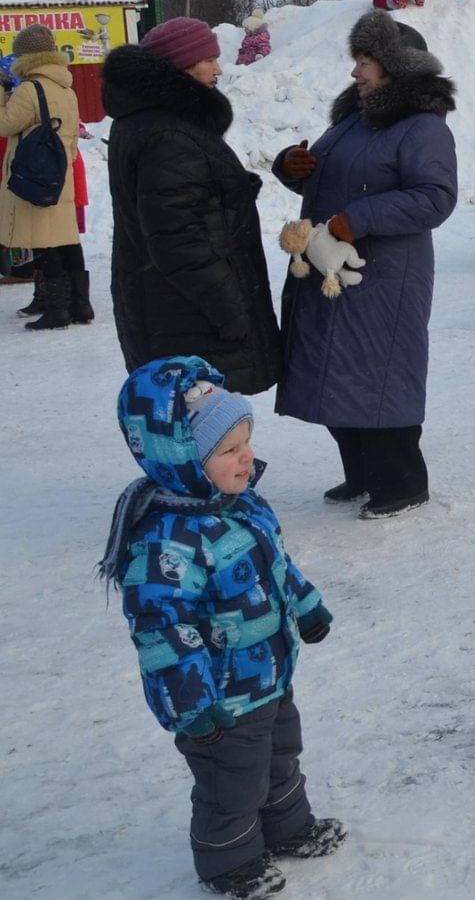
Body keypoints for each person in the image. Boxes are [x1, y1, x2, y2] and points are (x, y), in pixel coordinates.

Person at [101, 356, 346, 899]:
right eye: (229, 450)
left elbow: (277, 565)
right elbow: (163, 630)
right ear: (182, 457)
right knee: (230, 779)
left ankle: (286, 826)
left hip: (270, 674)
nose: (247, 457)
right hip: (219, 697)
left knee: (282, 752)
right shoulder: (165, 543)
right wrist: (192, 704)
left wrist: (305, 605)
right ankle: (227, 860)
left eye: (247, 442)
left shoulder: (242, 507)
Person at [274, 11, 457, 521]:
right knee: (339, 372)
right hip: (335, 269)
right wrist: (291, 166)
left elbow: (435, 198)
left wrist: (358, 218)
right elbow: (334, 178)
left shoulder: (423, 127)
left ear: (399, 69)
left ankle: (401, 483)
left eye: (367, 62)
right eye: (356, 61)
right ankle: (362, 473)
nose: (355, 73)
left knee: (379, 375)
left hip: (386, 274)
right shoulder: (353, 119)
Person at [103, 18, 285, 394]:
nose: (218, 69)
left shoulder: (148, 120)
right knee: (204, 435)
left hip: (170, 311)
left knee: (196, 433)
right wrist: (230, 310)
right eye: (209, 60)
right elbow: (176, 238)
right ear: (181, 66)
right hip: (189, 318)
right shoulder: (168, 134)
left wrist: (230, 191)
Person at [1, 23, 89, 330]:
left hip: (35, 176)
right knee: (66, 240)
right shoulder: (66, 87)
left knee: (45, 242)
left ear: (25, 56)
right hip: (60, 172)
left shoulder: (29, 88)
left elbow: (4, 125)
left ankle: (56, 311)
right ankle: (81, 305)